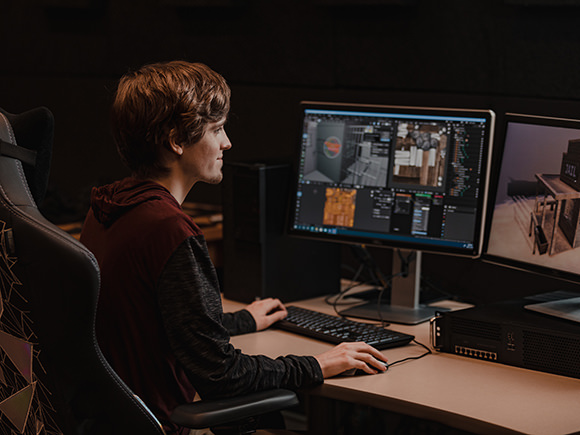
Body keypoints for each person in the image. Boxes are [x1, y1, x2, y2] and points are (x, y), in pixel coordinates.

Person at [80, 60, 387, 434]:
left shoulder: (110, 208)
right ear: (177, 140)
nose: (227, 142)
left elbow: (160, 323)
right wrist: (319, 364)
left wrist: (243, 321)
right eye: (216, 129)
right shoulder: (169, 230)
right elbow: (220, 374)